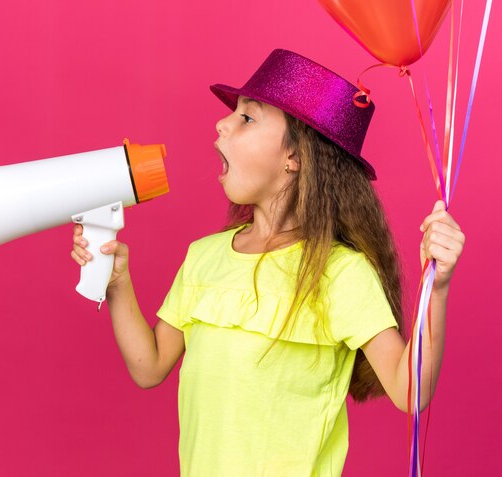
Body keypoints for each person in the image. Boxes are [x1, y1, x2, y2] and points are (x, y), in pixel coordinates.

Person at [70, 49, 465, 476]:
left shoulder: (339, 273)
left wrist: (436, 289)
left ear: (294, 159)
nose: (222, 123)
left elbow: (411, 392)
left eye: (247, 118)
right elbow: (149, 367)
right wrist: (117, 283)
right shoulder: (204, 258)